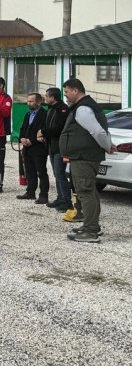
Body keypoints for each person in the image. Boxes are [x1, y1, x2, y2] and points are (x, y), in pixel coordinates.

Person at [59, 78, 117, 243]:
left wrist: (107, 146)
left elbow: (97, 132)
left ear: (76, 90)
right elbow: (99, 130)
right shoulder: (87, 106)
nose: (66, 96)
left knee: (85, 192)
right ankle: (91, 226)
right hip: (84, 156)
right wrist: (108, 145)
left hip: (84, 157)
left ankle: (90, 231)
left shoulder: (83, 108)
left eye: (67, 92)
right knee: (90, 191)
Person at [39, 87, 71, 211]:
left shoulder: (62, 109)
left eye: (46, 96)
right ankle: (60, 197)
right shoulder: (51, 109)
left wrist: (43, 132)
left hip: (59, 147)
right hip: (52, 147)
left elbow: (58, 129)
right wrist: (43, 133)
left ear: (52, 98)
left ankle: (66, 200)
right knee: (57, 174)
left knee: (60, 174)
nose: (45, 98)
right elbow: (47, 125)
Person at [17, 93, 49, 203]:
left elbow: (43, 130)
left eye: (31, 101)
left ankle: (43, 195)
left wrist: (32, 140)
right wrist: (21, 138)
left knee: (41, 172)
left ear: (39, 102)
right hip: (27, 148)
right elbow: (23, 128)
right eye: (28, 101)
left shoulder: (44, 114)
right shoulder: (28, 114)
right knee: (30, 171)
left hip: (39, 148)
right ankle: (30, 192)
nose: (29, 103)